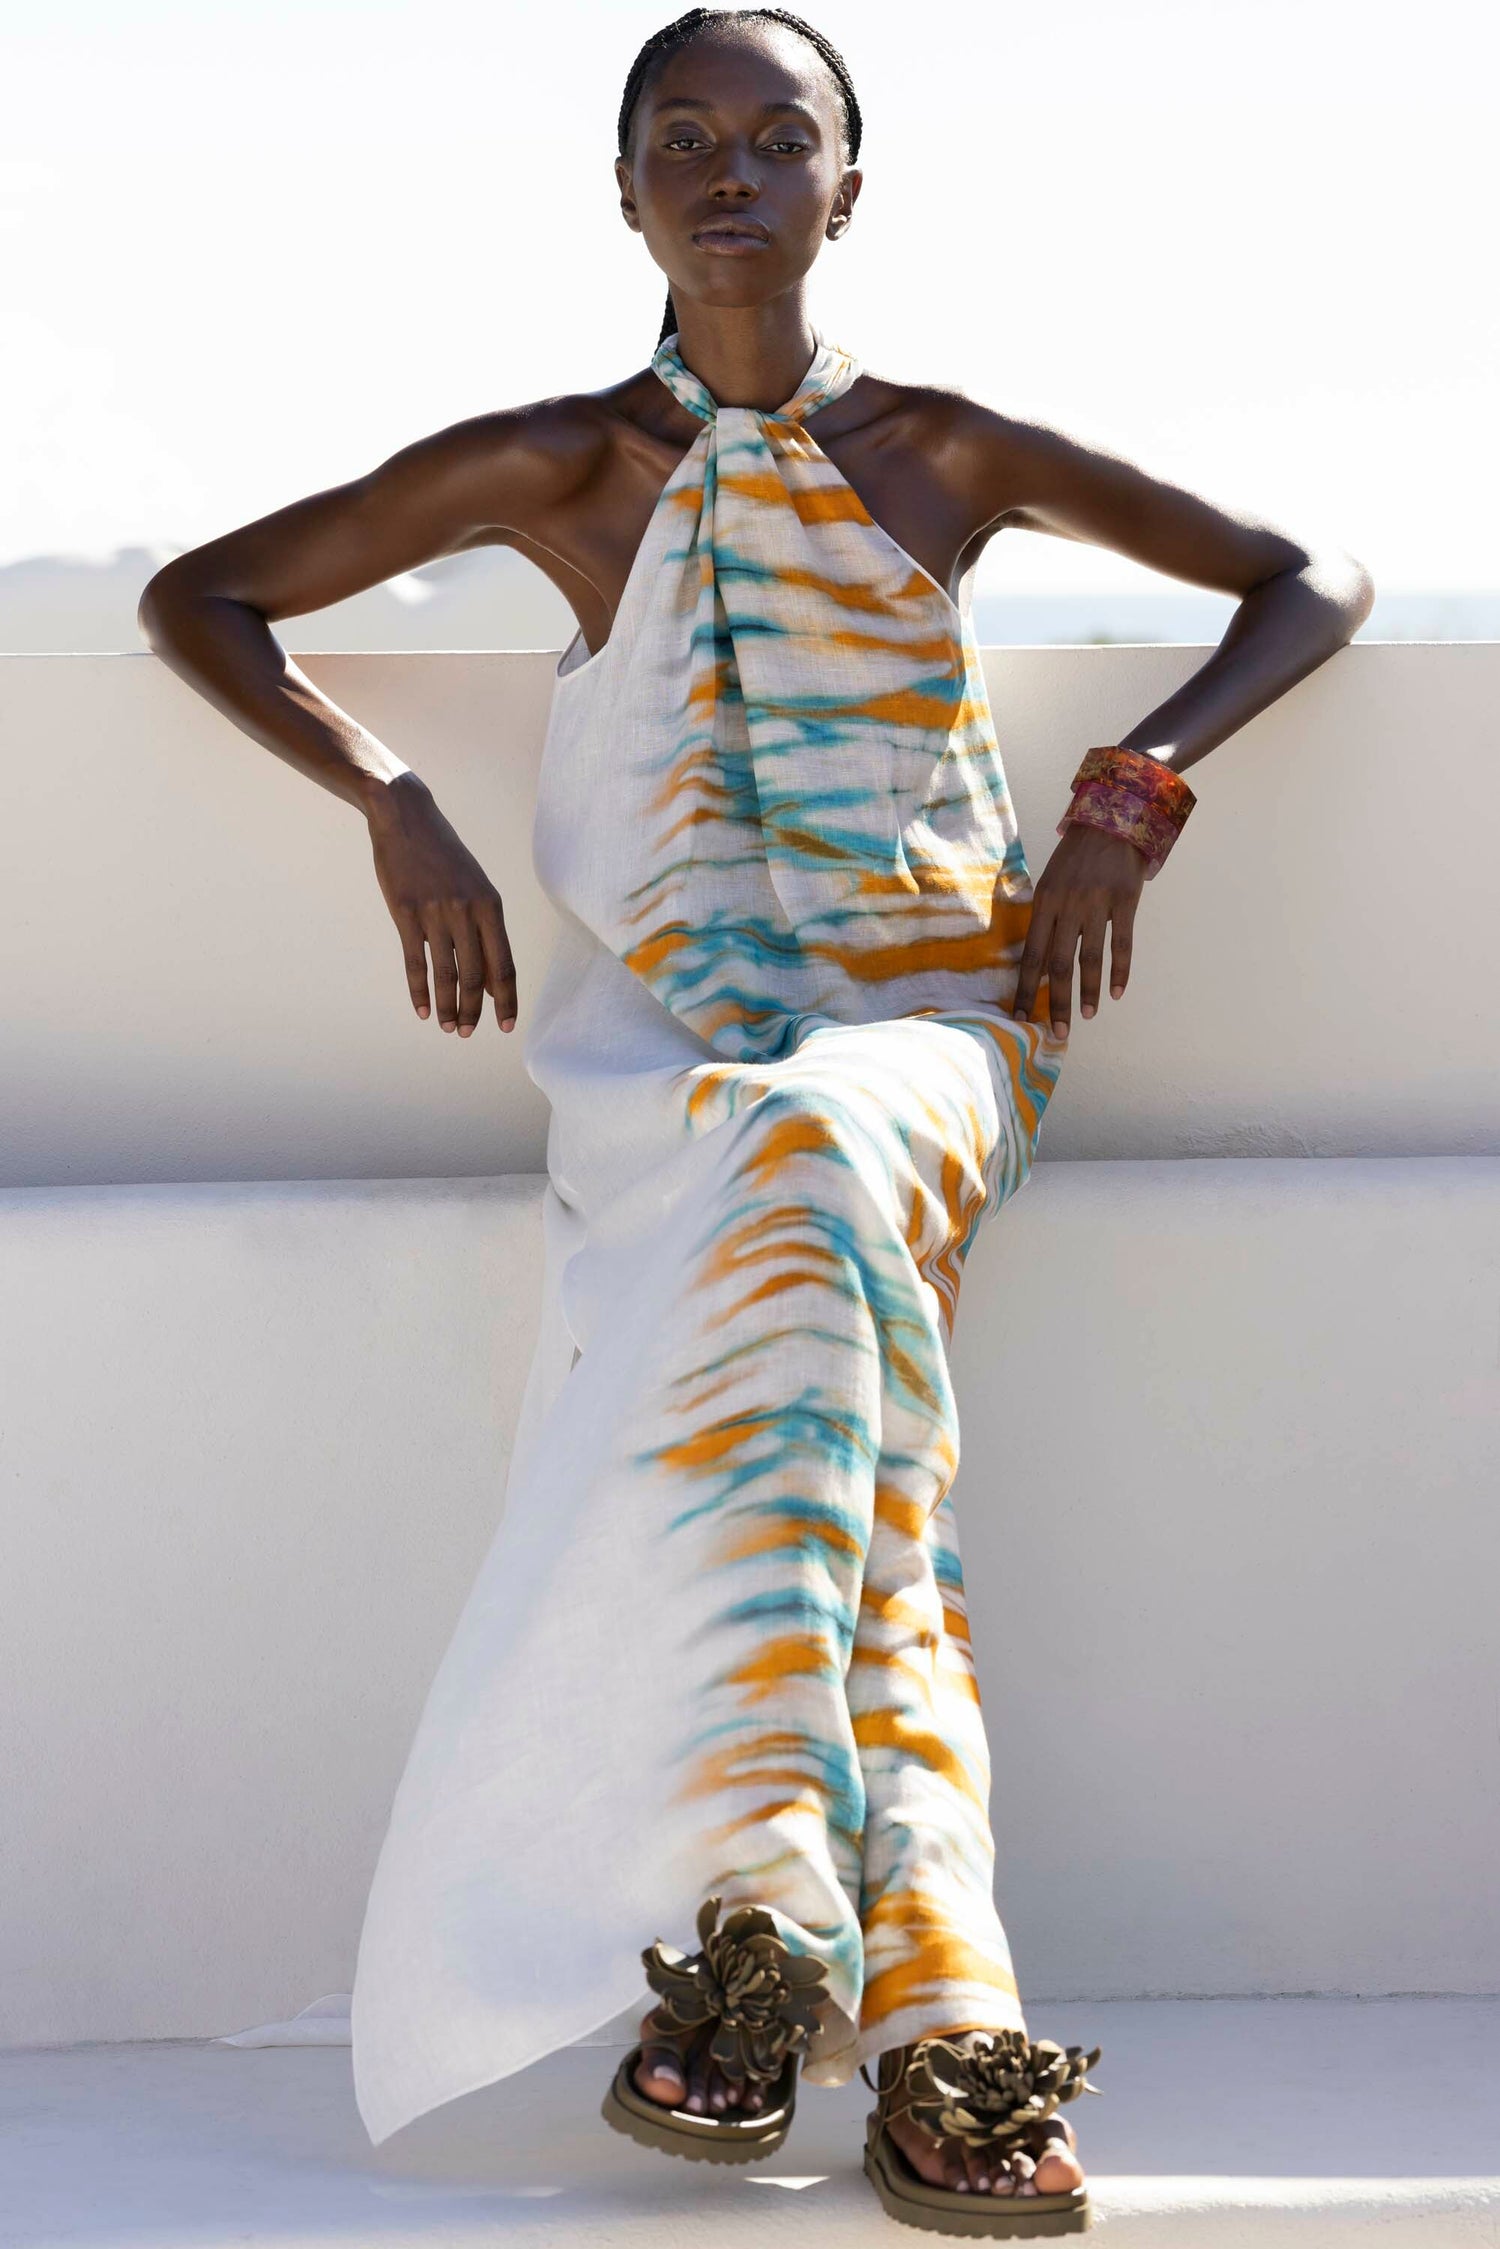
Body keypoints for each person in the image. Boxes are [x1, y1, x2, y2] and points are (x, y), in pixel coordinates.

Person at [139, 7, 1373, 2234]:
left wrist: (1126, 797)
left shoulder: (942, 450)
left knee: (813, 1177)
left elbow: (1313, 576)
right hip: (668, 1067)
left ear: (848, 186)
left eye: (772, 140)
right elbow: (200, 599)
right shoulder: (558, 466)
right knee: (855, 1449)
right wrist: (399, 803)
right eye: (680, 144)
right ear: (625, 200)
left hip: (920, 1045)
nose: (728, 176)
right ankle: (938, 2040)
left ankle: (757, 1946)